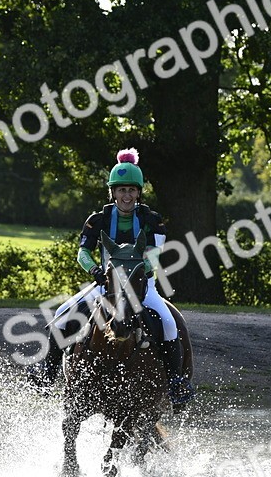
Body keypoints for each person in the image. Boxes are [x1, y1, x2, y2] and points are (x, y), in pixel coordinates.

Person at [29, 148, 194, 406]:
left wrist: (144, 269)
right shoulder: (98, 220)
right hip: (106, 285)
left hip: (142, 286)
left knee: (170, 324)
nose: (126, 195)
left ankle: (175, 384)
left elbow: (154, 254)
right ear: (113, 192)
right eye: (121, 190)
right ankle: (47, 377)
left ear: (138, 193)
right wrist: (95, 270)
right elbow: (83, 252)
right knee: (61, 317)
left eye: (131, 190)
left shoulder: (152, 220)